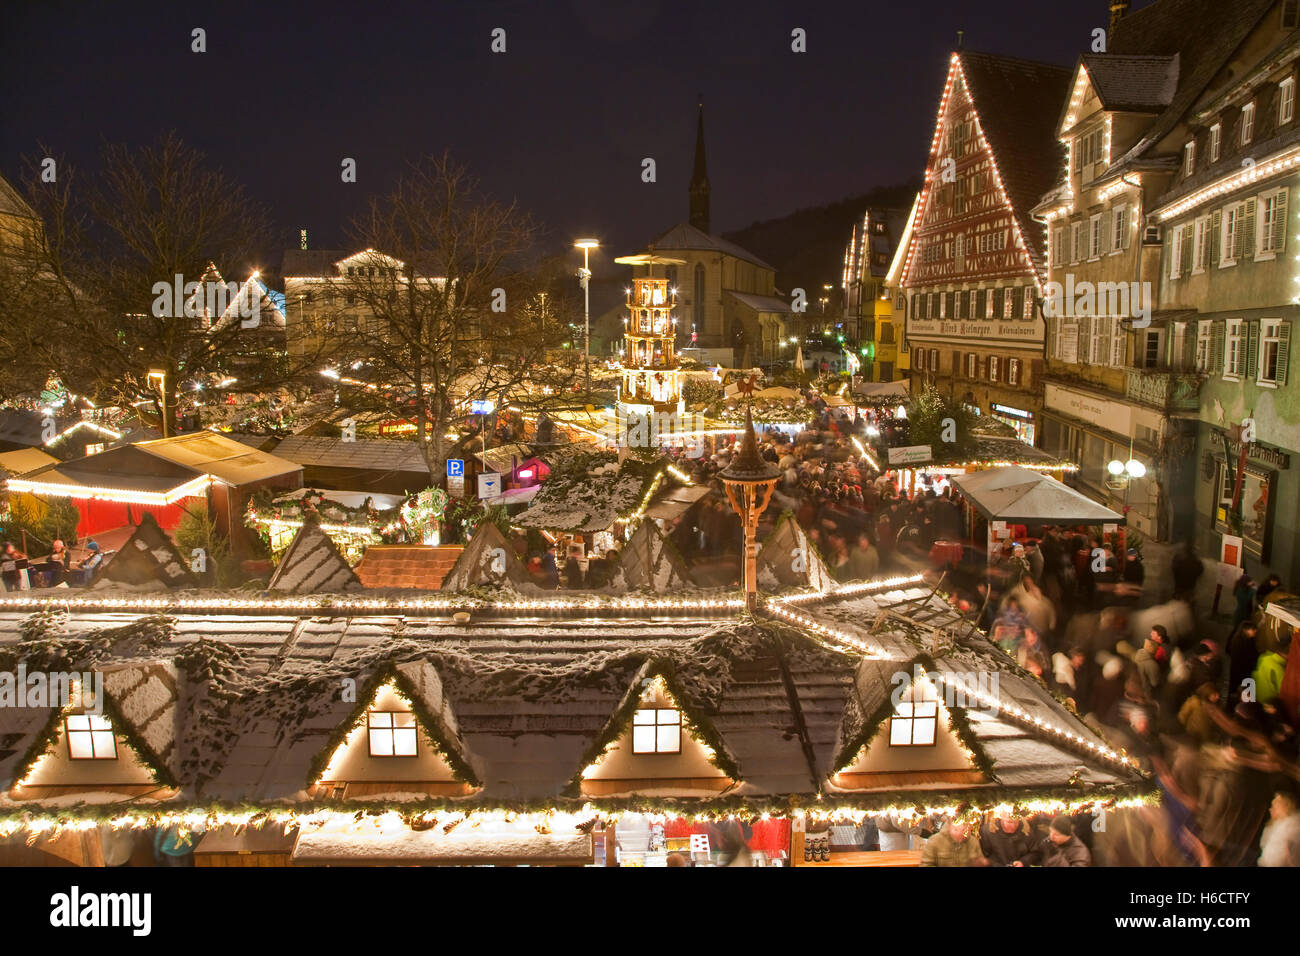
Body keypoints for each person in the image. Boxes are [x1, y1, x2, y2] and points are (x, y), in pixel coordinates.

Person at [1018, 815, 1091, 866]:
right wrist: (1023, 862)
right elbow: (1036, 854)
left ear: (1066, 835)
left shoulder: (1080, 853)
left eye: (1056, 834)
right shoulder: (1051, 842)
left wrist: (1056, 855)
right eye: (1050, 831)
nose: (1051, 836)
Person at [920, 819, 988, 867]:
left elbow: (980, 861)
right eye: (956, 830)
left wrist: (981, 863)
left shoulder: (973, 841)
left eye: (964, 831)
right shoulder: (935, 841)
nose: (960, 833)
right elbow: (926, 864)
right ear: (949, 828)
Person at [1258, 790, 1300, 867]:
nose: (1272, 808)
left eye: (1277, 804)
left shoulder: (1293, 825)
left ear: (1286, 805)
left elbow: (1292, 856)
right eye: (1273, 805)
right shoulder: (1274, 826)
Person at [1252, 631, 1291, 706]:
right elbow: (1285, 692)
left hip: (1257, 700)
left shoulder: (1263, 658)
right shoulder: (1280, 669)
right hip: (1270, 705)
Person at [1134, 626, 1169, 700]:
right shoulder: (1152, 664)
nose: (1150, 634)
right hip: (1150, 693)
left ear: (1159, 637)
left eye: (1153, 633)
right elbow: (1155, 683)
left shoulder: (1138, 656)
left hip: (1139, 691)